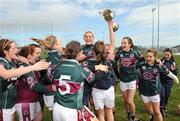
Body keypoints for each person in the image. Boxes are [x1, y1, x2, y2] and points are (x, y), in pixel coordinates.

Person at [0, 39, 49, 121]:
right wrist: (33, 67)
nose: (17, 50)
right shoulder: (2, 62)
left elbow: (18, 59)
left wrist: (19, 57)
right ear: (5, 51)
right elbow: (5, 74)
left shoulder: (12, 61)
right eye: (14, 48)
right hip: (3, 105)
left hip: (11, 103)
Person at [52, 41, 99, 121]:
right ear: (78, 54)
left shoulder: (57, 66)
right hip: (71, 109)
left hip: (57, 106)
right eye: (81, 52)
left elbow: (50, 79)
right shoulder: (81, 69)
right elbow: (94, 79)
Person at [15, 44, 56, 121]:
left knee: (39, 118)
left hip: (34, 100)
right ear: (29, 55)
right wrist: (51, 87)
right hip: (26, 102)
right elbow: (35, 86)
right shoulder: (25, 67)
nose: (40, 55)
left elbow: (40, 79)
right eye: (37, 53)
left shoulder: (34, 65)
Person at [136, 48, 179, 121]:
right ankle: (152, 116)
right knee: (150, 110)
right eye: (147, 56)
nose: (148, 58)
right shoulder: (141, 65)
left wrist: (175, 77)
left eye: (150, 56)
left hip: (154, 92)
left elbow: (167, 72)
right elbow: (135, 72)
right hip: (143, 92)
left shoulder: (158, 66)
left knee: (157, 111)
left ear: (155, 57)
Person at [90, 20, 115, 121]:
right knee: (109, 111)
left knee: (100, 114)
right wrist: (110, 24)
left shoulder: (91, 62)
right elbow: (113, 42)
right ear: (105, 50)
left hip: (97, 91)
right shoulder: (108, 58)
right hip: (109, 89)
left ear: (93, 52)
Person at [115, 37, 142, 121]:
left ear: (130, 44)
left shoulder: (135, 53)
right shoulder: (119, 53)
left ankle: (133, 118)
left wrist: (136, 69)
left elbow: (142, 61)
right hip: (123, 80)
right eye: (122, 43)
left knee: (130, 101)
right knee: (125, 101)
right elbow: (113, 63)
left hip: (132, 79)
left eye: (124, 43)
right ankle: (129, 114)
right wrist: (117, 74)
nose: (122, 44)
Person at [160, 48, 178, 117]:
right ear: (163, 54)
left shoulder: (173, 62)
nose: (167, 56)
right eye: (165, 54)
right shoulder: (161, 61)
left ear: (171, 54)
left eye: (168, 54)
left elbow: (175, 74)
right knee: (162, 95)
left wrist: (174, 70)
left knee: (167, 95)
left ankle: (165, 107)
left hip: (169, 82)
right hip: (161, 81)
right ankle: (161, 108)